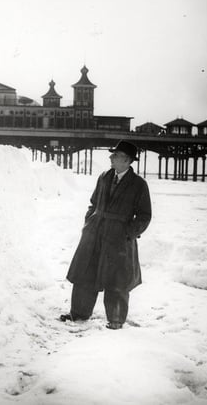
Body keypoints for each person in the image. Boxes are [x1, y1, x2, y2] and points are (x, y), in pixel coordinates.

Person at [60, 140, 152, 329]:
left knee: (117, 280)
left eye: (115, 155)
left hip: (119, 237)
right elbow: (93, 203)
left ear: (126, 161)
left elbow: (144, 216)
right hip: (95, 233)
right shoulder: (104, 177)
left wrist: (128, 233)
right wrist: (89, 221)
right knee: (85, 273)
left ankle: (116, 320)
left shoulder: (139, 185)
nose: (111, 157)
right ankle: (78, 314)